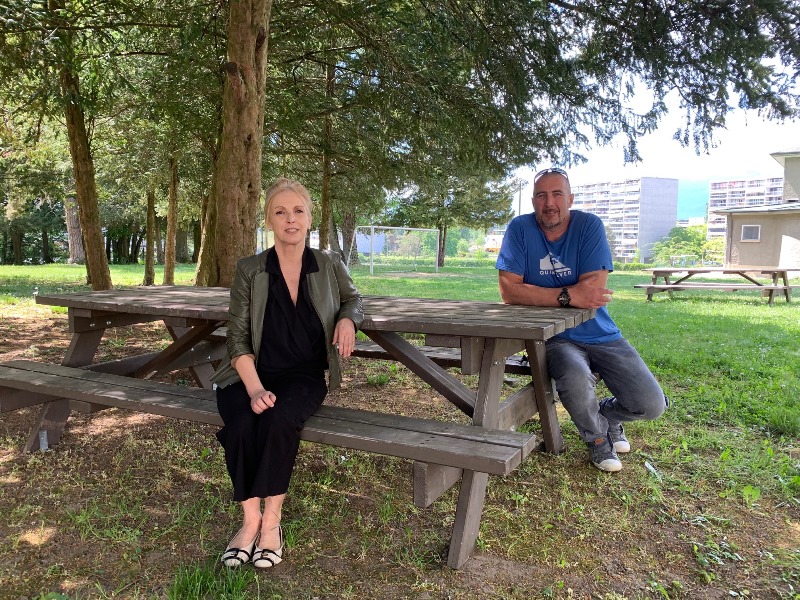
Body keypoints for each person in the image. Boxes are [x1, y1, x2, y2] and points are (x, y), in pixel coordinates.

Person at [210, 178, 363, 568]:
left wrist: (348, 320)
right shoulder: (250, 270)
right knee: (243, 422)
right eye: (280, 212)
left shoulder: (328, 264)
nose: (290, 219)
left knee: (279, 421)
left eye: (298, 211)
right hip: (247, 374)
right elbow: (237, 339)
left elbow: (352, 299)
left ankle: (272, 522)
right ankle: (250, 521)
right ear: (268, 220)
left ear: (310, 218)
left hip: (304, 377)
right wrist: (255, 388)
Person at [496, 167, 666, 472]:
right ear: (533, 200)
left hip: (601, 332)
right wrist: (568, 296)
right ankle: (598, 439)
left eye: (557, 194)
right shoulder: (520, 229)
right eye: (541, 195)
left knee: (652, 404)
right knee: (574, 377)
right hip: (555, 337)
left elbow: (593, 292)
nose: (549, 202)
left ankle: (608, 415)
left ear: (570, 198)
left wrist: (539, 292)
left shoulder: (589, 226)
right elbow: (509, 291)